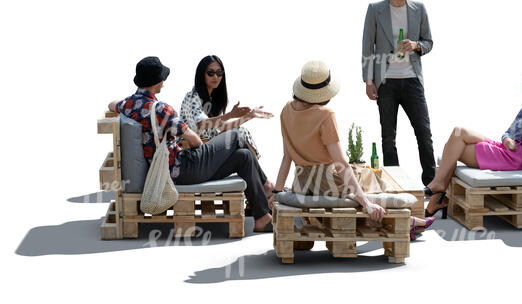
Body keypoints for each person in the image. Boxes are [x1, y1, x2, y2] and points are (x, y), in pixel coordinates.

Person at [108, 56, 274, 232]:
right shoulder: (161, 109)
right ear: (158, 82)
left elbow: (112, 104)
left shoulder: (128, 104)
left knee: (244, 157)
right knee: (235, 137)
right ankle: (267, 186)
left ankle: (262, 217)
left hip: (171, 170)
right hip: (183, 169)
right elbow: (194, 139)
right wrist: (202, 155)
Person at [271, 60, 434, 239]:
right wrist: (366, 203)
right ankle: (405, 222)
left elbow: (287, 156)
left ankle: (408, 220)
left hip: (302, 183)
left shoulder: (286, 110)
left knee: (361, 175)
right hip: (329, 182)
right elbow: (340, 164)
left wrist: (277, 192)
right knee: (372, 176)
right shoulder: (325, 115)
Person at [423, 68, 522, 217]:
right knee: (459, 132)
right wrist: (506, 139)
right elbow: (508, 131)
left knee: (454, 149)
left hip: (517, 156)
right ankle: (438, 189)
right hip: (507, 148)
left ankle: (437, 195)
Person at [362, 0, 436, 186]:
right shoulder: (376, 10)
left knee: (424, 133)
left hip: (412, 79)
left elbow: (429, 42)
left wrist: (416, 45)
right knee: (388, 137)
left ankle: (431, 184)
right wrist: (368, 80)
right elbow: (368, 48)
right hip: (386, 81)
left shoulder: (418, 9)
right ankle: (395, 183)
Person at [179, 55, 275, 197]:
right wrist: (230, 114)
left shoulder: (212, 99)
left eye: (219, 73)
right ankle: (264, 185)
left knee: (242, 133)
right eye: (210, 73)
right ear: (201, 74)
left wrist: (249, 116)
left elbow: (222, 128)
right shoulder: (193, 96)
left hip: (207, 151)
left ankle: (260, 187)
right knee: (239, 135)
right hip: (193, 156)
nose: (216, 77)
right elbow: (201, 124)